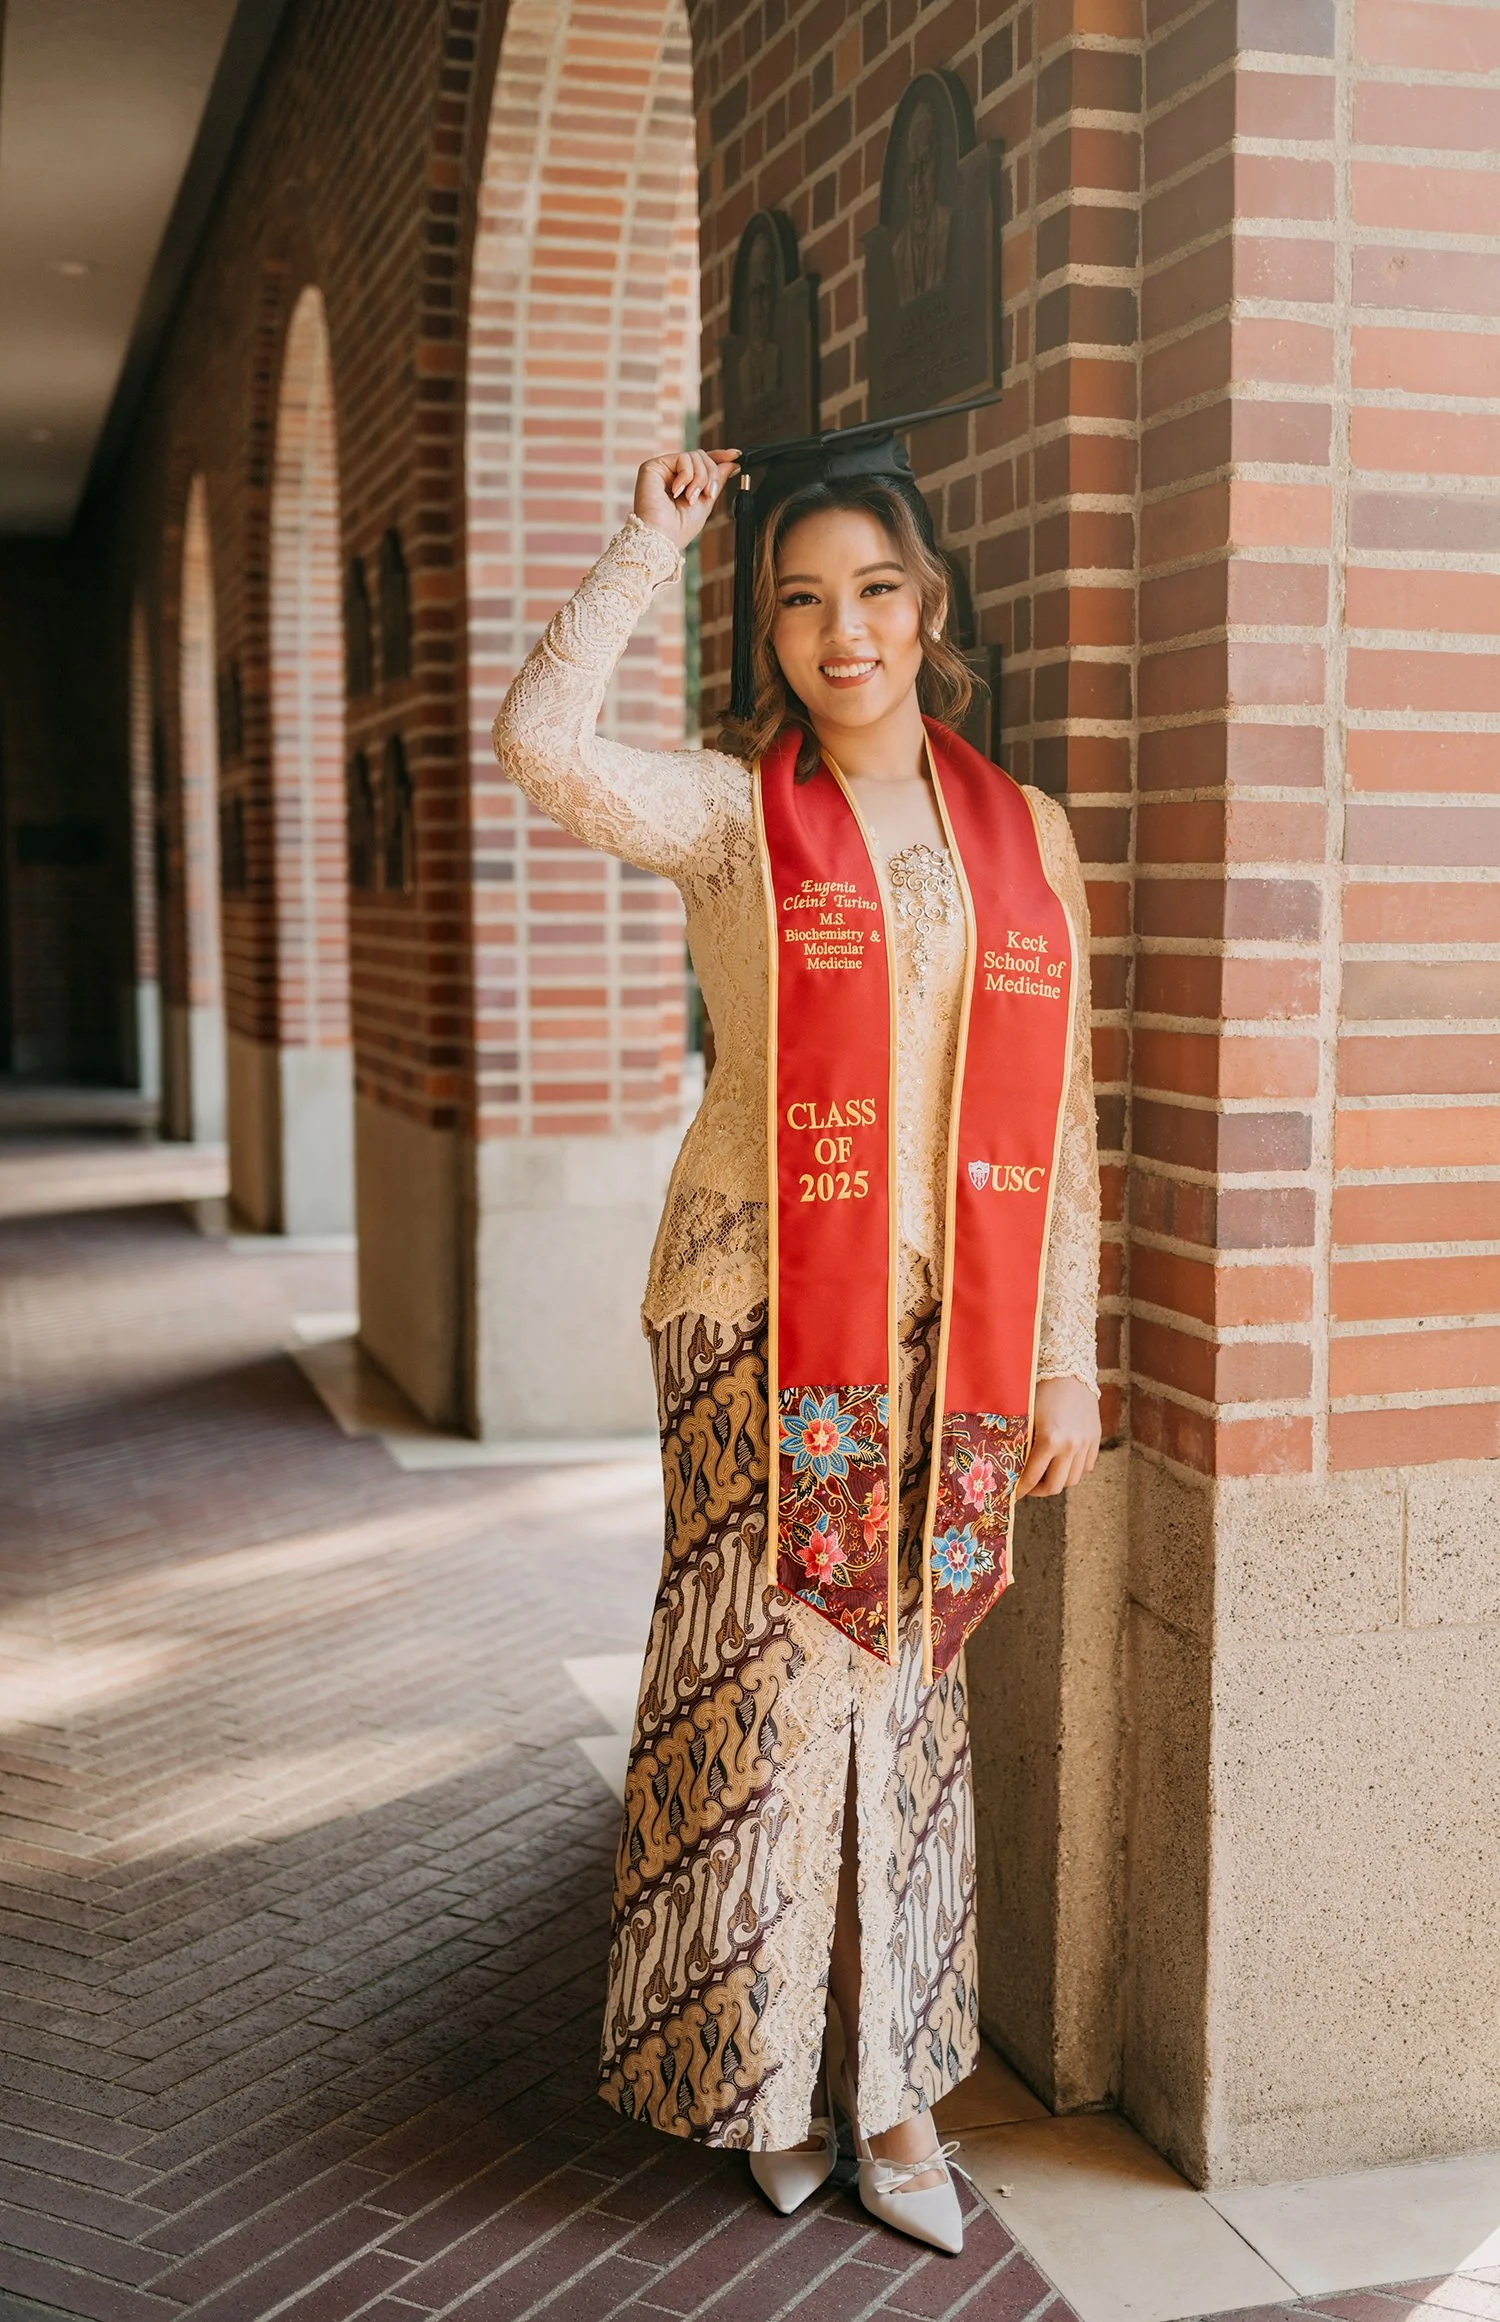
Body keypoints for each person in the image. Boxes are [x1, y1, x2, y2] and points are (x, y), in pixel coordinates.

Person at [491, 424, 1101, 2257]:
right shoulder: (728, 815)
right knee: (766, 1696)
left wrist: (1066, 1345)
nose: (843, 633)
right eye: (801, 603)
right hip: (756, 1310)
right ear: (769, 628)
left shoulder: (1022, 837)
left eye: (875, 595)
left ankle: (898, 2090)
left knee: (909, 1704)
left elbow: (1065, 1110)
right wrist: (644, 537)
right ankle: (762, 2079)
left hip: (958, 1329)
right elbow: (539, 747)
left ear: (930, 611)